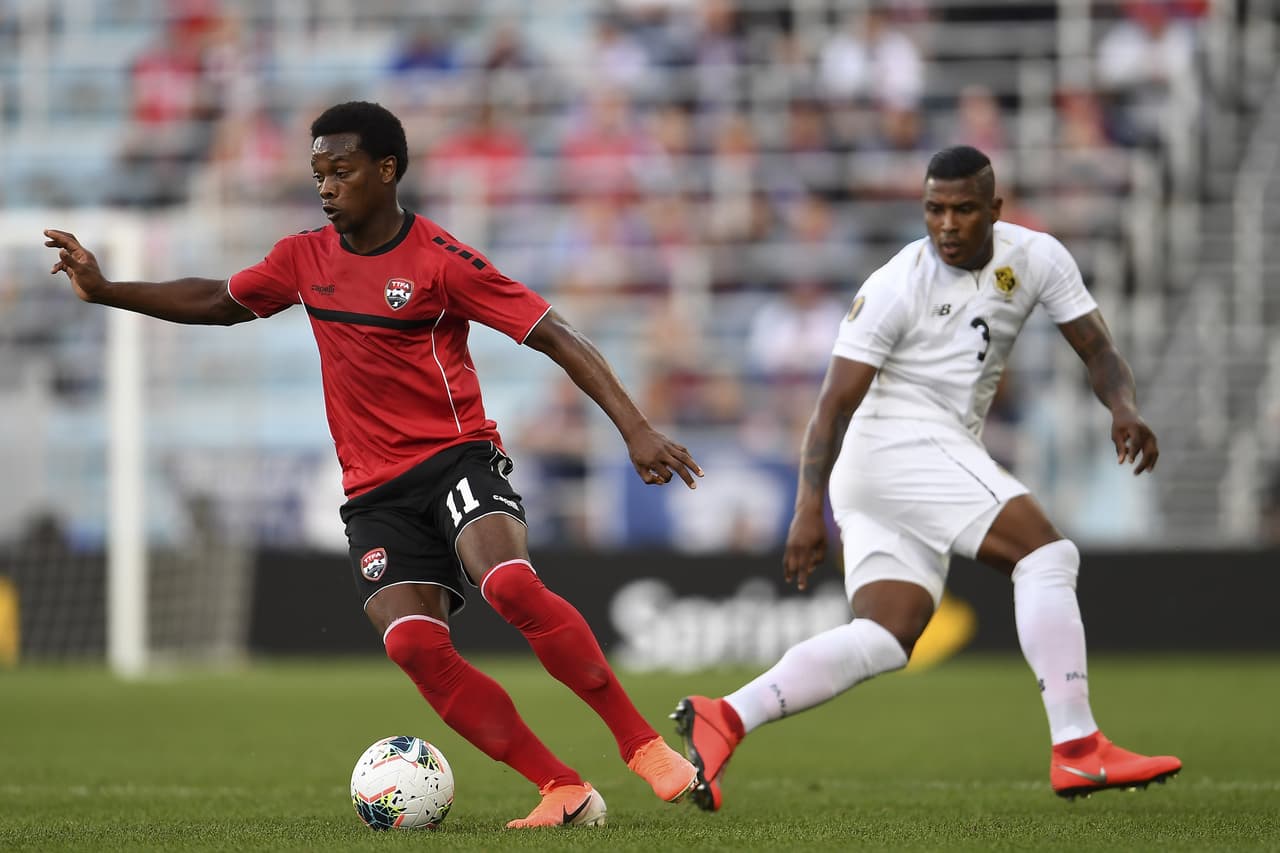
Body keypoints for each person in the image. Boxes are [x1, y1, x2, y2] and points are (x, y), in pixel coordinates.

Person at [46, 100, 701, 829]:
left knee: (510, 584)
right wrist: (106, 291)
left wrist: (636, 428)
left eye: (342, 171)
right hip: (375, 493)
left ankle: (642, 745)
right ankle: (562, 787)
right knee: (413, 644)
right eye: (318, 175)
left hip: (456, 459)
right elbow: (219, 300)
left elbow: (556, 333)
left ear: (386, 170)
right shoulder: (303, 258)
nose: (326, 187)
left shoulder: (440, 260)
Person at [672, 145, 1181, 810]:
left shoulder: (1037, 257)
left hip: (905, 460)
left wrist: (1123, 408)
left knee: (888, 634)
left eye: (963, 209)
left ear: (995, 209)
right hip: (896, 444)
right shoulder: (896, 284)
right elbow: (832, 404)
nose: (946, 224)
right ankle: (1079, 748)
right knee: (1046, 555)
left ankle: (727, 716)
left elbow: (1099, 349)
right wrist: (806, 509)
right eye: (934, 209)